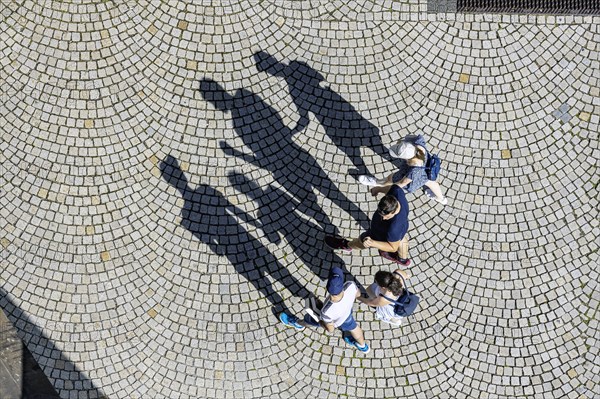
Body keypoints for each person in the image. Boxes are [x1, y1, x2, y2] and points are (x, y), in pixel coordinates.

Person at [279, 267, 370, 354]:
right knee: (355, 329)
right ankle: (363, 347)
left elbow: (330, 329)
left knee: (310, 319)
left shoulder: (327, 312)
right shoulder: (350, 285)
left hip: (335, 319)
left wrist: (321, 322)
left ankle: (298, 324)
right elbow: (358, 294)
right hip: (347, 313)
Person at [324, 184, 411, 266]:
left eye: (386, 217)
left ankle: (347, 245)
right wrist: (378, 189)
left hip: (379, 234)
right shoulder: (397, 191)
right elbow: (391, 188)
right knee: (402, 240)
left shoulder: (394, 229)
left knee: (361, 241)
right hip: (402, 228)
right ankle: (402, 260)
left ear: (393, 211)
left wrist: (372, 243)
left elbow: (393, 247)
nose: (383, 219)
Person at [358, 134, 448, 205]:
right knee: (431, 182)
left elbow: (402, 183)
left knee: (390, 179)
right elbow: (409, 137)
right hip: (427, 171)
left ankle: (377, 183)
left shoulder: (414, 171)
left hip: (417, 177)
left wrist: (385, 189)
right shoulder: (418, 143)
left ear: (407, 159)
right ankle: (441, 199)